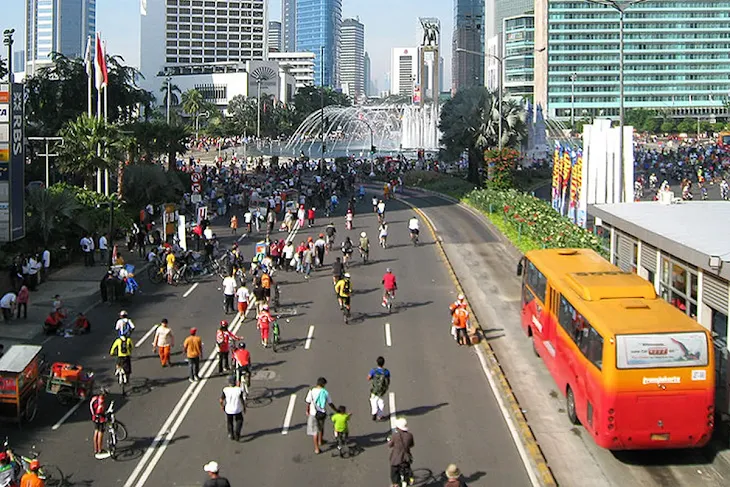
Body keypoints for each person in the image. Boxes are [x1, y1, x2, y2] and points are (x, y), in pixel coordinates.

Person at [305, 377, 337, 454]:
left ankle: (317, 448)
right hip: (322, 413)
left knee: (314, 431)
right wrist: (336, 410)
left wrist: (307, 410)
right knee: (321, 428)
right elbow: (330, 403)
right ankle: (320, 440)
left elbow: (308, 402)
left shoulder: (311, 391)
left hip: (313, 413)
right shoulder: (325, 392)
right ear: (323, 384)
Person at [388, 418, 415, 487]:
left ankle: (395, 484)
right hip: (405, 458)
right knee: (406, 470)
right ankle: (408, 481)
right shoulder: (409, 435)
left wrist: (389, 441)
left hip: (396, 459)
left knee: (394, 473)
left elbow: (390, 445)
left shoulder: (395, 436)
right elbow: (411, 445)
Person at [220, 375, 247, 441]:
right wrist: (244, 407)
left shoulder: (225, 390)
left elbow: (221, 400)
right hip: (237, 409)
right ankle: (237, 433)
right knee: (239, 420)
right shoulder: (238, 390)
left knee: (229, 422)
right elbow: (242, 400)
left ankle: (230, 434)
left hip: (228, 409)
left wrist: (222, 406)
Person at [368, 356, 391, 421]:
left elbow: (368, 378)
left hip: (375, 389)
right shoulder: (386, 371)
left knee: (373, 400)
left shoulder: (373, 370)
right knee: (381, 402)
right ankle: (380, 415)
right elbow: (388, 379)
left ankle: (374, 412)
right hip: (382, 390)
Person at [90, 388, 111, 459]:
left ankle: (96, 449)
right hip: (100, 419)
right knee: (100, 433)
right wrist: (105, 417)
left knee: (96, 432)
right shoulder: (101, 402)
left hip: (94, 418)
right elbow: (100, 411)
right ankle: (100, 450)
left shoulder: (95, 398)